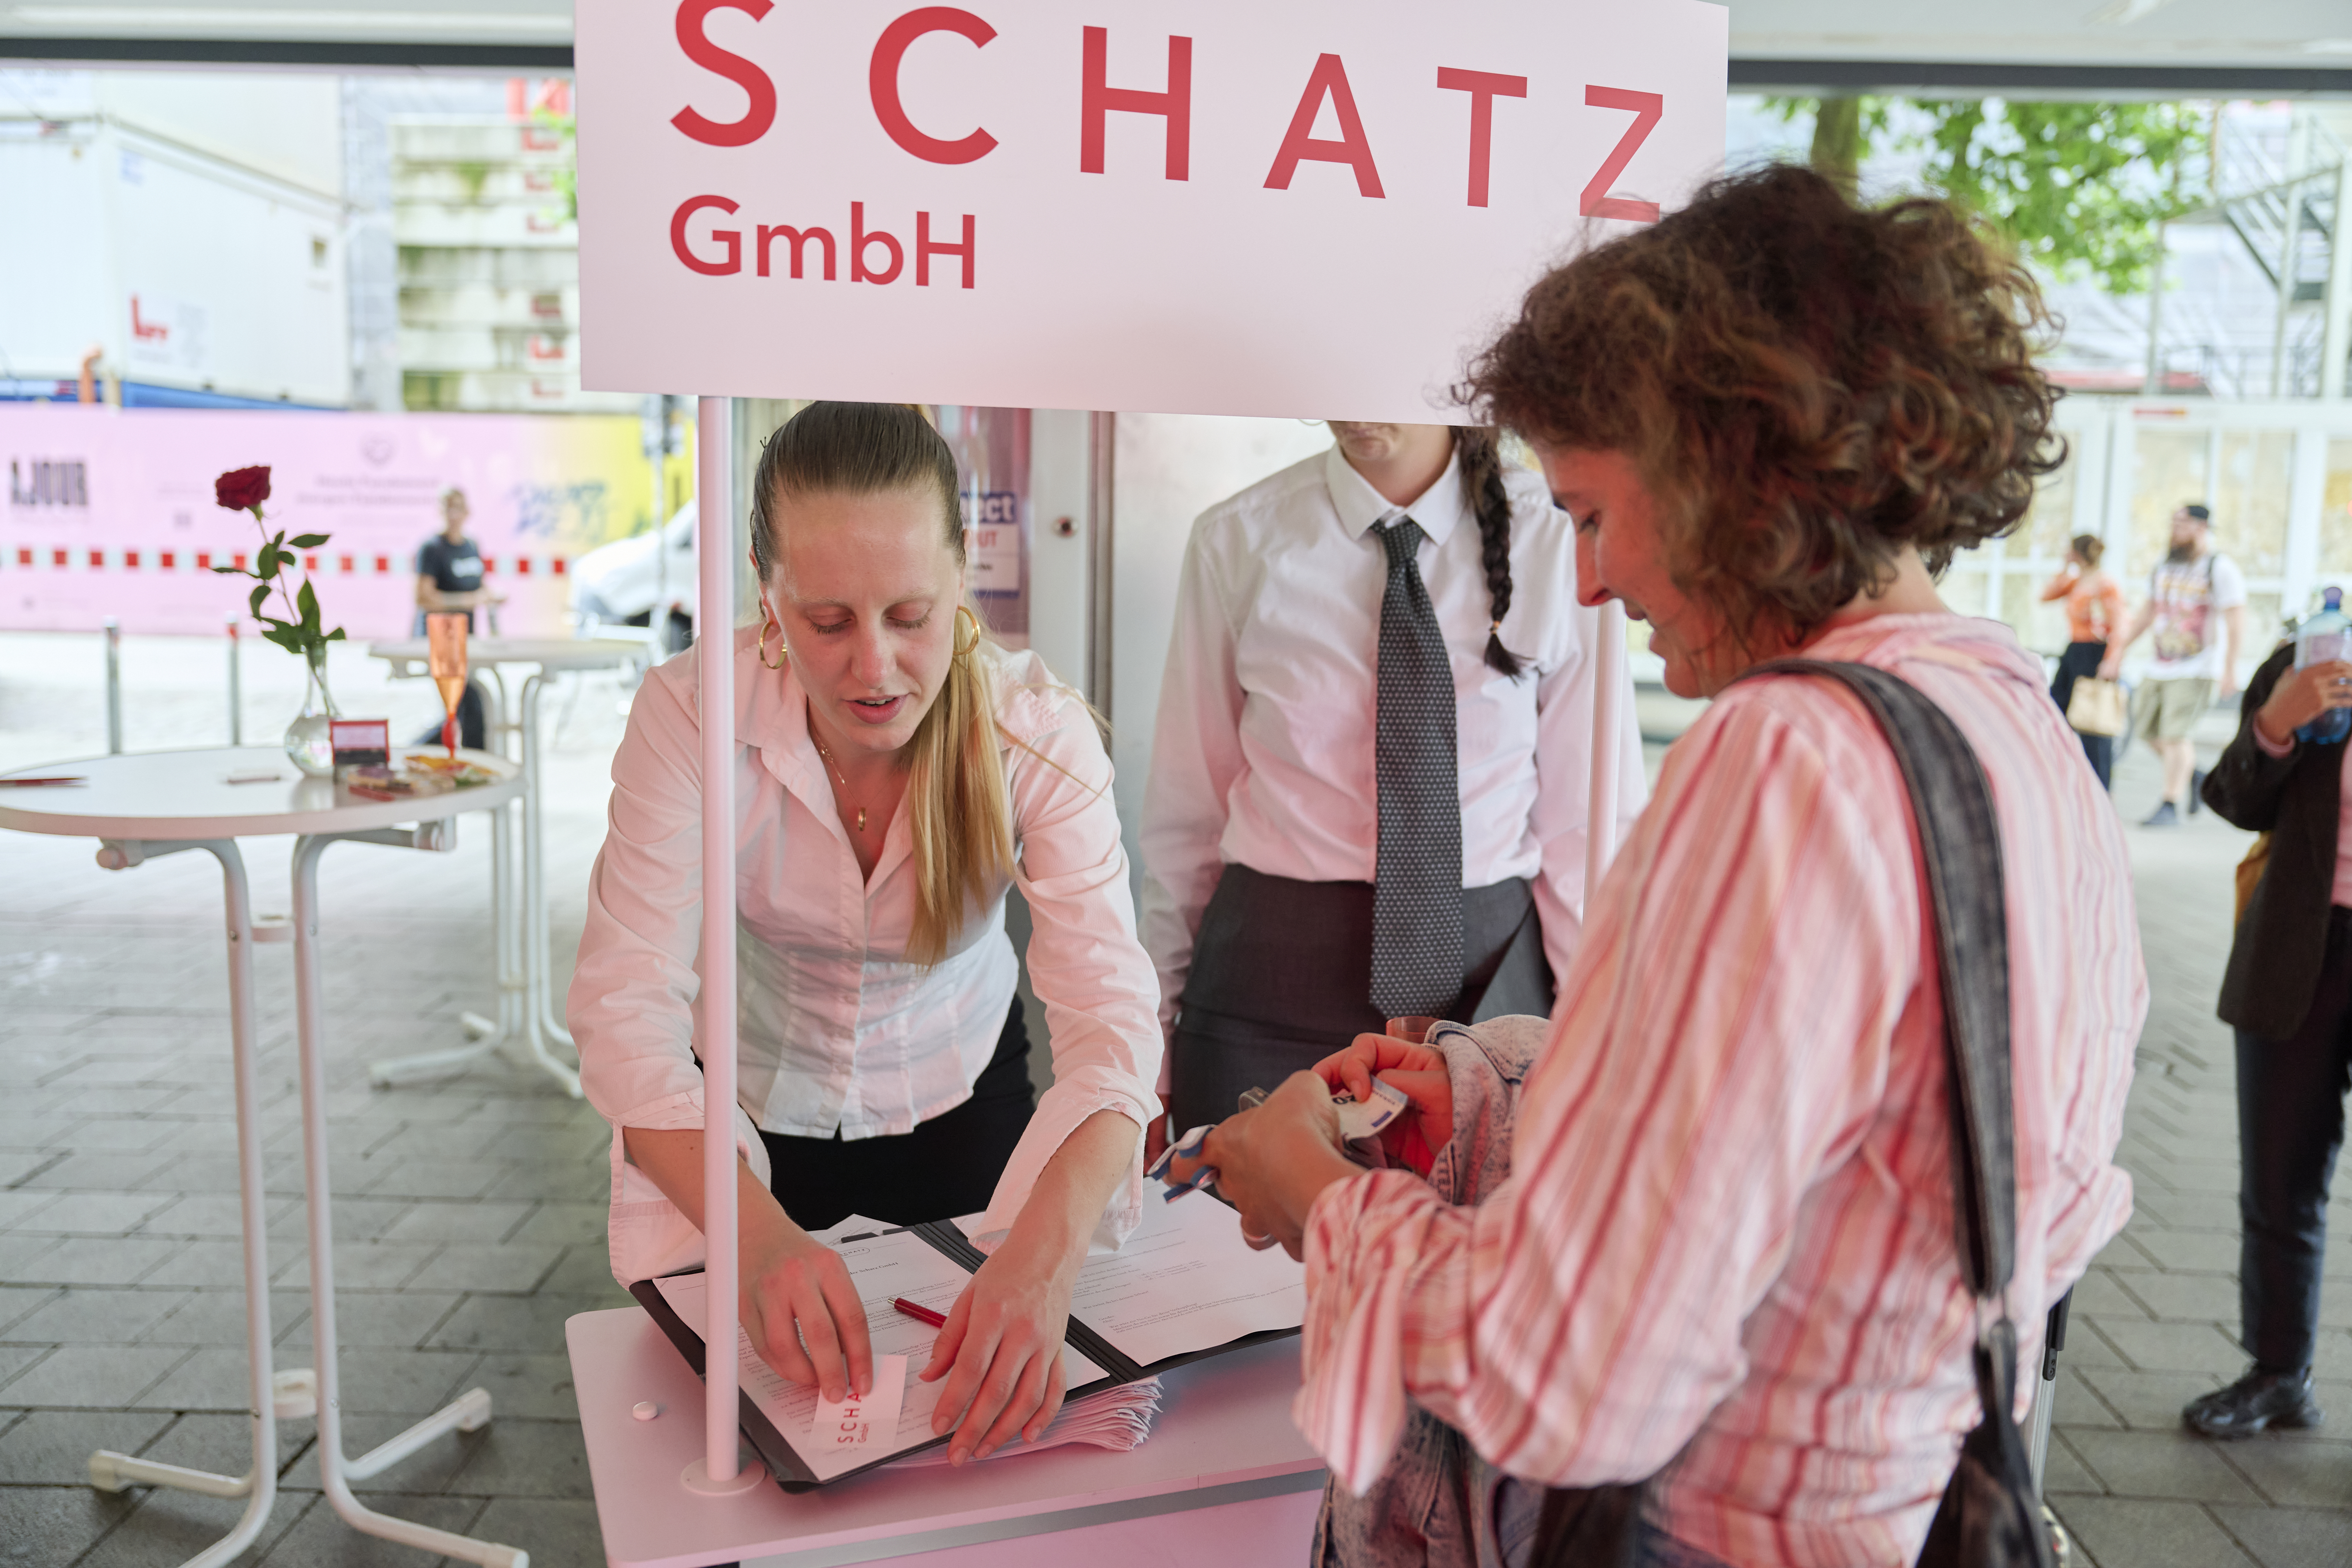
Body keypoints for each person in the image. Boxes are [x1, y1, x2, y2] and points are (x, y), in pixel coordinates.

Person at [1183, 165, 2143, 1566]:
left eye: (1587, 513)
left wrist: (1320, 1200)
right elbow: (1831, 1159)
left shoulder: (1779, 761)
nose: (1585, 584)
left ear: (1722, 469)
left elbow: (1560, 1377)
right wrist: (1488, 1089)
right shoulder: (2004, 717)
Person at [568, 402, 1160, 1462]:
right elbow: (623, 1014)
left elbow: (1113, 1020)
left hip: (963, 1096)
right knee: (761, 1455)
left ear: (962, 573)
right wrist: (752, 1243)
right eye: (828, 621)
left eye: (910, 614)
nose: (874, 668)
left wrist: (1040, 1261)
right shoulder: (692, 712)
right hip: (741, 1117)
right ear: (766, 590)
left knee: (964, 1445)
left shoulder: (1031, 727)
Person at [1138, 421, 1645, 1149]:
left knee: (1469, 1253)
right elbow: (1184, 823)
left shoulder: (1557, 534)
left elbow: (1588, 831)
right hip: (1269, 979)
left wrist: (1602, 1038)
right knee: (1237, 1251)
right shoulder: (1239, 540)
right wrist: (1145, 1054)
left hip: (1491, 992)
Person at [2186, 626, 2352, 1438]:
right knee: (2280, 1176)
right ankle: (2280, 1373)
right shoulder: (2316, 657)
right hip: (2300, 945)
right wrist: (2276, 726)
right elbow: (2230, 797)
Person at [2099, 503, 2246, 827]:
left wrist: (2231, 669)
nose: (2175, 529)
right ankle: (2195, 776)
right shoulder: (2165, 566)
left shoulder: (2220, 568)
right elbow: (2147, 612)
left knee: (2175, 736)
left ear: (2201, 527)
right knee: (2147, 731)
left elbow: (2236, 620)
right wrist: (2118, 651)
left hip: (2198, 666)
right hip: (2160, 664)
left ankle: (2170, 804)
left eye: (2182, 523)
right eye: (2173, 522)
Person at [413, 486, 501, 749]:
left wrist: (489, 596)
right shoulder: (432, 549)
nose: (453, 514)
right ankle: (419, 751)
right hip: (440, 638)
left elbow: (477, 587)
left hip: (465, 639)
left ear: (467, 512)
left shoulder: (471, 546)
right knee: (469, 707)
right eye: (448, 507)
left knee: (462, 711)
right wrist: (466, 601)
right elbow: (424, 598)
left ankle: (421, 753)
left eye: (458, 508)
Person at [2042, 533, 2127, 789]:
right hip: (2074, 650)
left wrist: (2112, 660)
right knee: (2057, 710)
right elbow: (2046, 596)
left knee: (2094, 724)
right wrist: (2064, 568)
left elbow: (2120, 625)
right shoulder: (2076, 581)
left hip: (2095, 652)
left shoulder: (2105, 584)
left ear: (2077, 552)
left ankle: (2100, 787)